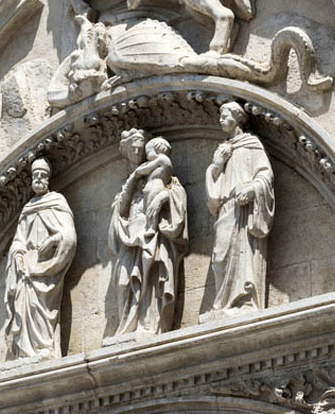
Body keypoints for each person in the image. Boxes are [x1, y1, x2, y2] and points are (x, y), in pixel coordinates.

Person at [109, 129, 188, 336]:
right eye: (133, 148)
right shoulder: (132, 180)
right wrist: (134, 178)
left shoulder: (162, 174)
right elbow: (121, 209)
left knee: (153, 275)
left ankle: (150, 325)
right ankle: (127, 327)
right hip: (130, 237)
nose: (137, 152)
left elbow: (177, 195)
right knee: (124, 281)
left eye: (140, 147)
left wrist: (163, 197)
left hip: (154, 234)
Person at [204, 101, 274, 318]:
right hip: (226, 207)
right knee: (220, 257)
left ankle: (243, 300)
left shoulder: (251, 144)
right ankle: (223, 303)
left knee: (243, 252)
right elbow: (213, 188)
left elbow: (265, 174)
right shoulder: (222, 149)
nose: (221, 120)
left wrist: (252, 189)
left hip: (245, 208)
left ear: (237, 118)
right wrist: (217, 163)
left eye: (225, 116)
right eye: (220, 116)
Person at [4, 158, 77, 361]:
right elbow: (18, 239)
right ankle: (27, 351)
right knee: (25, 305)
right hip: (27, 265)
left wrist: (53, 240)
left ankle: (44, 346)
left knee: (43, 307)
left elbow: (69, 235)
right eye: (35, 175)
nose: (38, 179)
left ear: (48, 179)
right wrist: (18, 255)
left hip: (47, 264)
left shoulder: (57, 202)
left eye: (42, 176)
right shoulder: (27, 208)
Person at [133, 136, 174, 238]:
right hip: (150, 189)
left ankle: (152, 226)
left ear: (158, 149)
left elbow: (147, 169)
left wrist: (139, 171)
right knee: (149, 209)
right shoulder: (158, 163)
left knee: (152, 210)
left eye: (148, 152)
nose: (147, 156)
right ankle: (149, 225)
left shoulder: (162, 159)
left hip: (156, 188)